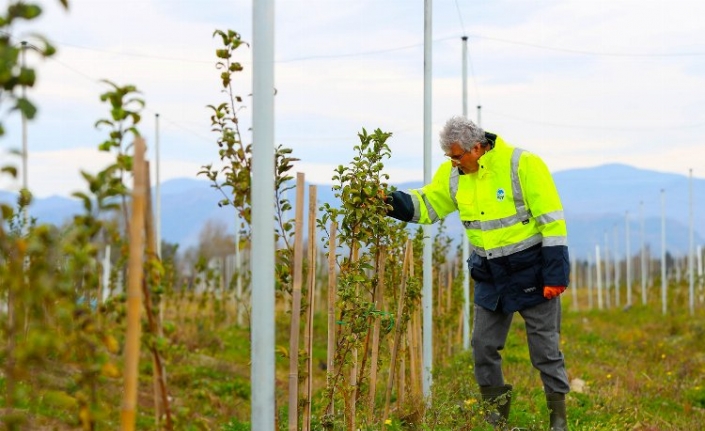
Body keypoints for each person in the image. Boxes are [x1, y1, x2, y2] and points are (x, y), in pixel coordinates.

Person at [384, 116, 570, 430]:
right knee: (483, 347)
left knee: (545, 352)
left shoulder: (522, 164)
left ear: (478, 147)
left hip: (532, 274)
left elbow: (552, 222)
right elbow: (428, 206)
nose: (454, 162)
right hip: (490, 276)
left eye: (458, 155)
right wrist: (389, 201)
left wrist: (555, 276)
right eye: (449, 157)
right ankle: (496, 420)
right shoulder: (453, 174)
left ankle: (559, 421)